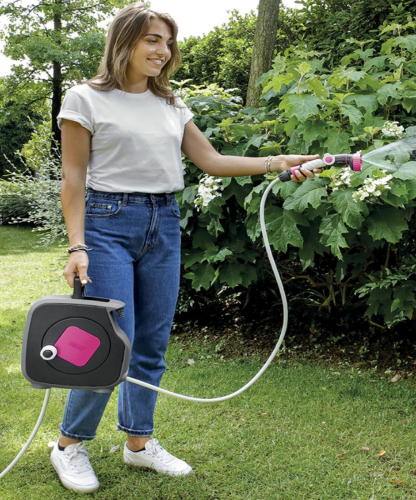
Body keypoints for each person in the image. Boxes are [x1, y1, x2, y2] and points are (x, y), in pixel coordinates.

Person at [51, 2, 319, 494]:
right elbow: (73, 177)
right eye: (152, 39)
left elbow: (211, 160)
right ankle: (69, 444)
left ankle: (138, 443)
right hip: (107, 222)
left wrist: (277, 162)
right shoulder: (85, 98)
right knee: (111, 339)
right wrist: (77, 245)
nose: (163, 50)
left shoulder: (171, 104)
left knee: (152, 342)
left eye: (168, 42)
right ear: (124, 41)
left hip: (164, 221)